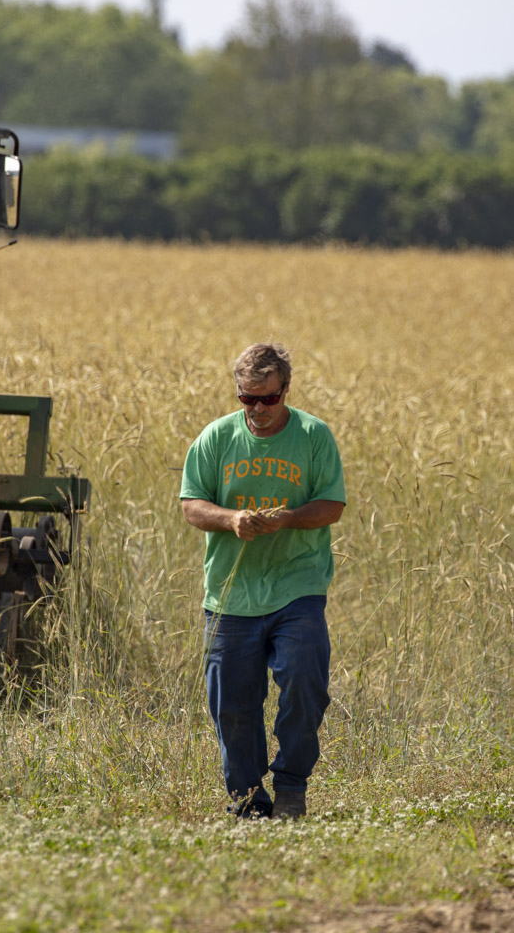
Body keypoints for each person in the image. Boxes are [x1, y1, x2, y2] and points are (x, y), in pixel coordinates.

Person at [180, 343, 345, 819]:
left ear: (285, 391)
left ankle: (292, 783)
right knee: (231, 705)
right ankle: (249, 801)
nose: (258, 410)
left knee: (303, 680)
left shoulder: (314, 436)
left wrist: (287, 518)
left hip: (298, 587)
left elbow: (332, 505)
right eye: (247, 399)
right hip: (231, 593)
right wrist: (232, 519)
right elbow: (192, 505)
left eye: (268, 399)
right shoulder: (214, 438)